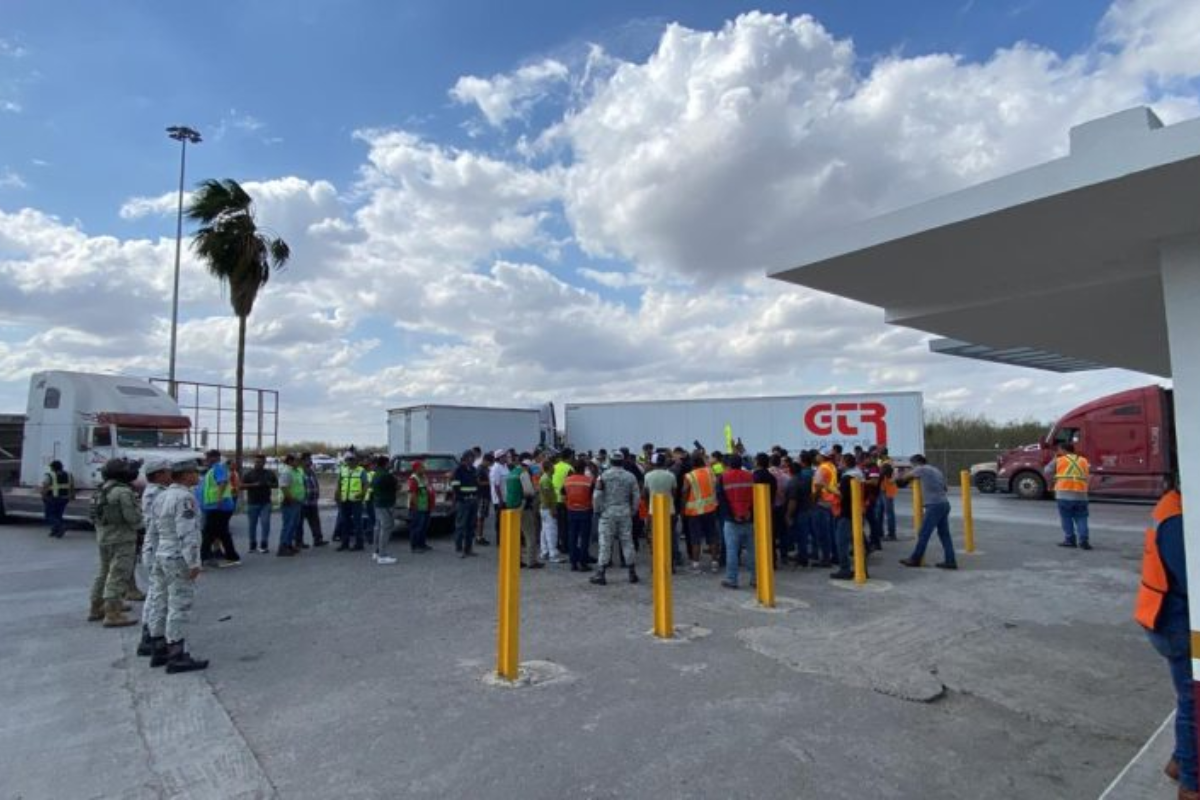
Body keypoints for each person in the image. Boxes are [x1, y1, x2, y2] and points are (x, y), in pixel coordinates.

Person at [1134, 482, 1195, 798]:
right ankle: (1192, 784)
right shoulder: (1178, 518)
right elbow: (1192, 580)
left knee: (1189, 699)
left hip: (1165, 616)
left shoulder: (1175, 505)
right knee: (1194, 702)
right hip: (1175, 622)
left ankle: (1179, 762)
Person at [147, 458, 208, 673]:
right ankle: (176, 653)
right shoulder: (184, 498)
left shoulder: (161, 496)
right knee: (179, 604)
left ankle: (157, 646)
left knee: (159, 600)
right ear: (184, 475)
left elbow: (152, 530)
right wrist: (193, 562)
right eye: (194, 472)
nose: (197, 476)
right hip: (177, 555)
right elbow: (187, 532)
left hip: (162, 552)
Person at [87, 458, 143, 627]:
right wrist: (143, 526)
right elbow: (132, 517)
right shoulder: (123, 492)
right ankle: (113, 612)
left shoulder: (100, 490)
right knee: (119, 574)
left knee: (103, 572)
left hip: (104, 536)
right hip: (122, 538)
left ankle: (96, 607)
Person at [136, 458, 173, 657]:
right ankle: (156, 639)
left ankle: (149, 635)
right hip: (159, 548)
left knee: (154, 594)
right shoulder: (158, 494)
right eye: (167, 472)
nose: (170, 475)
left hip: (153, 547)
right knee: (160, 596)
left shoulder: (153, 492)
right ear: (159, 474)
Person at [897, 454, 957, 570]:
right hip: (944, 503)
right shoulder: (936, 470)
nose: (912, 467)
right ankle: (950, 561)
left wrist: (897, 476)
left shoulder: (921, 469)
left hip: (934, 505)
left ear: (916, 463)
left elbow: (902, 480)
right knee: (944, 535)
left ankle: (915, 559)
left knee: (923, 533)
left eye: (912, 465)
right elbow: (945, 488)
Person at [590, 450, 639, 586]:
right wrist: (633, 510)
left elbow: (597, 495)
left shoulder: (603, 476)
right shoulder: (630, 477)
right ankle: (632, 573)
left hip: (608, 512)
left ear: (610, 461)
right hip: (625, 512)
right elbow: (636, 496)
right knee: (627, 541)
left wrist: (597, 510)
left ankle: (601, 573)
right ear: (623, 461)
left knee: (605, 542)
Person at [717, 454, 756, 589]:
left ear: (728, 464)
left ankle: (732, 579)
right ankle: (756, 579)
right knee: (752, 551)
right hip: (749, 518)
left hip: (731, 520)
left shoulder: (723, 477)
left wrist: (733, 515)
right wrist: (749, 512)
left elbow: (722, 500)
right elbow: (756, 496)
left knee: (732, 551)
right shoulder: (750, 476)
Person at [1047, 441, 1092, 550]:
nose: (1058, 452)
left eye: (1059, 450)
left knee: (1066, 518)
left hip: (1064, 493)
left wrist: (1055, 459)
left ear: (1063, 450)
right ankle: (1084, 541)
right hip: (1081, 494)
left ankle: (1070, 539)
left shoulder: (1059, 460)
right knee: (1082, 518)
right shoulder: (1083, 460)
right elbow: (1087, 473)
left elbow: (1047, 470)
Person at [830, 454, 868, 581]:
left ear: (845, 462)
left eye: (841, 461)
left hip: (846, 513)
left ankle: (845, 569)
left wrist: (829, 488)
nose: (839, 463)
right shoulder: (859, 474)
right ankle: (863, 569)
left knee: (842, 542)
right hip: (857, 512)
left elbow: (842, 495)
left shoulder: (847, 478)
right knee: (858, 542)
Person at [199, 450, 240, 567]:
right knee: (222, 533)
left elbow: (222, 483)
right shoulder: (213, 470)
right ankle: (232, 556)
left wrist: (218, 498)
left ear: (214, 458)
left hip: (218, 506)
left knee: (208, 533)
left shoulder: (218, 468)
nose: (205, 460)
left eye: (207, 457)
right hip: (217, 506)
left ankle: (203, 557)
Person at [682, 454, 720, 573]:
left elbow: (684, 491)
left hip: (694, 512)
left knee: (696, 539)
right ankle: (714, 563)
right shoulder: (710, 472)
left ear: (692, 464)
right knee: (712, 536)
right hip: (711, 508)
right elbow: (715, 484)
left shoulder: (689, 476)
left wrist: (683, 507)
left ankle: (696, 565)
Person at [504, 455, 541, 568]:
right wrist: (536, 491)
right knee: (530, 534)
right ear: (528, 467)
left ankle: (516, 560)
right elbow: (528, 492)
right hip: (523, 507)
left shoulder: (511, 473)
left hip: (510, 507)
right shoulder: (523, 473)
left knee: (515, 535)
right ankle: (531, 561)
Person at [643, 452, 677, 563]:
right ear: (664, 462)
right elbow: (674, 492)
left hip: (653, 510)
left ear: (653, 463)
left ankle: (656, 563)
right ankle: (670, 563)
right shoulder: (671, 475)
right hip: (669, 510)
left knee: (654, 537)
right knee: (669, 536)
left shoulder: (648, 476)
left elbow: (645, 494)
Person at [785, 451, 816, 567]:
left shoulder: (794, 482)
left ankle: (802, 557)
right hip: (807, 508)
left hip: (799, 511)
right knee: (805, 535)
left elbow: (793, 501)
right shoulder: (806, 477)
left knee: (800, 535)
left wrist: (788, 515)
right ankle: (804, 555)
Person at [241, 453, 276, 554]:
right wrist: (253, 485)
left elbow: (276, 484)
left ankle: (264, 544)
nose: (258, 463)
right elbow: (241, 486)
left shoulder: (269, 473)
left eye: (260, 462)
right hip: (252, 502)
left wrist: (269, 484)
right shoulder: (249, 474)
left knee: (265, 523)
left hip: (266, 502)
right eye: (256, 462)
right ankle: (252, 544)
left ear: (264, 462)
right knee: (252, 524)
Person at [564, 459, 595, 571]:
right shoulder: (589, 480)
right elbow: (593, 495)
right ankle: (583, 562)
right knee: (584, 538)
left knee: (572, 537)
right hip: (585, 511)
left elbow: (563, 493)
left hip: (571, 511)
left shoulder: (567, 480)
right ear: (584, 469)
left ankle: (573, 562)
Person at [334, 453, 369, 552]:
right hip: (344, 500)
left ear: (356, 461)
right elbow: (339, 483)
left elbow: (366, 484)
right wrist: (337, 495)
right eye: (348, 460)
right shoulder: (343, 470)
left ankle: (359, 543)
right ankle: (345, 543)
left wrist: (362, 494)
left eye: (351, 460)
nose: (349, 462)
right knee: (345, 522)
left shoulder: (361, 471)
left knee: (357, 522)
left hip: (356, 500)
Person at [811, 452, 839, 567]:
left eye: (818, 454)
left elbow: (817, 487)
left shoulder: (821, 468)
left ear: (822, 456)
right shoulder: (831, 466)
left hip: (821, 503)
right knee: (831, 532)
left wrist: (813, 501)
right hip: (830, 502)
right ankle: (835, 556)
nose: (816, 456)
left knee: (823, 533)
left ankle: (826, 559)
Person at [450, 451, 480, 558]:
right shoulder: (458, 470)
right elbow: (455, 485)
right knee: (461, 526)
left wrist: (476, 496)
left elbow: (477, 484)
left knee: (471, 526)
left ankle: (468, 549)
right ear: (465, 458)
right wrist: (461, 497)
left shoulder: (473, 470)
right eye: (470, 457)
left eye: (473, 458)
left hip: (473, 501)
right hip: (463, 501)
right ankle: (459, 549)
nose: (472, 460)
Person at [277, 454, 304, 556]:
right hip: (289, 502)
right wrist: (291, 499)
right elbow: (284, 487)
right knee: (288, 524)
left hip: (297, 501)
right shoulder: (286, 472)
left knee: (293, 525)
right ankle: (283, 546)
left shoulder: (297, 471)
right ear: (290, 461)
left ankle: (288, 545)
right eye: (296, 461)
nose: (299, 462)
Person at [538, 455, 563, 563]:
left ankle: (545, 551)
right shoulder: (546, 480)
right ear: (549, 468)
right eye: (553, 467)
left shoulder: (545, 478)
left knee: (544, 531)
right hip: (548, 508)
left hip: (544, 508)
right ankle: (553, 553)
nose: (554, 469)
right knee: (551, 530)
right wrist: (553, 508)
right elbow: (548, 495)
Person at [402, 458, 430, 556]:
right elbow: (413, 494)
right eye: (422, 467)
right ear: (417, 468)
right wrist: (416, 506)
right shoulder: (413, 479)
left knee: (423, 527)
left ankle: (422, 544)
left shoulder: (423, 477)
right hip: (417, 507)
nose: (424, 469)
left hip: (425, 506)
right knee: (416, 527)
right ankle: (415, 546)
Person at [299, 453, 326, 547]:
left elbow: (315, 483)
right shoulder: (299, 472)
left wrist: (317, 493)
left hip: (313, 502)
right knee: (299, 523)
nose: (310, 461)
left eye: (310, 459)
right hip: (303, 502)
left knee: (315, 521)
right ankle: (299, 542)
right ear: (302, 461)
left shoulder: (311, 471)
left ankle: (318, 540)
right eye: (308, 459)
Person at [41, 459, 74, 539]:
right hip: (65, 498)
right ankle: (55, 531)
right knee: (58, 515)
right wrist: (72, 496)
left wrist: (43, 495)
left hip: (53, 498)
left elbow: (45, 486)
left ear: (53, 467)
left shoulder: (50, 475)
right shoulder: (69, 474)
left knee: (49, 515)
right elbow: (72, 486)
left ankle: (60, 527)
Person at [879, 460, 899, 541]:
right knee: (881, 513)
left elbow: (893, 478)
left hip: (887, 493)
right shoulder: (886, 463)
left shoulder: (887, 464)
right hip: (884, 491)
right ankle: (882, 533)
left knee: (889, 514)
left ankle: (891, 534)